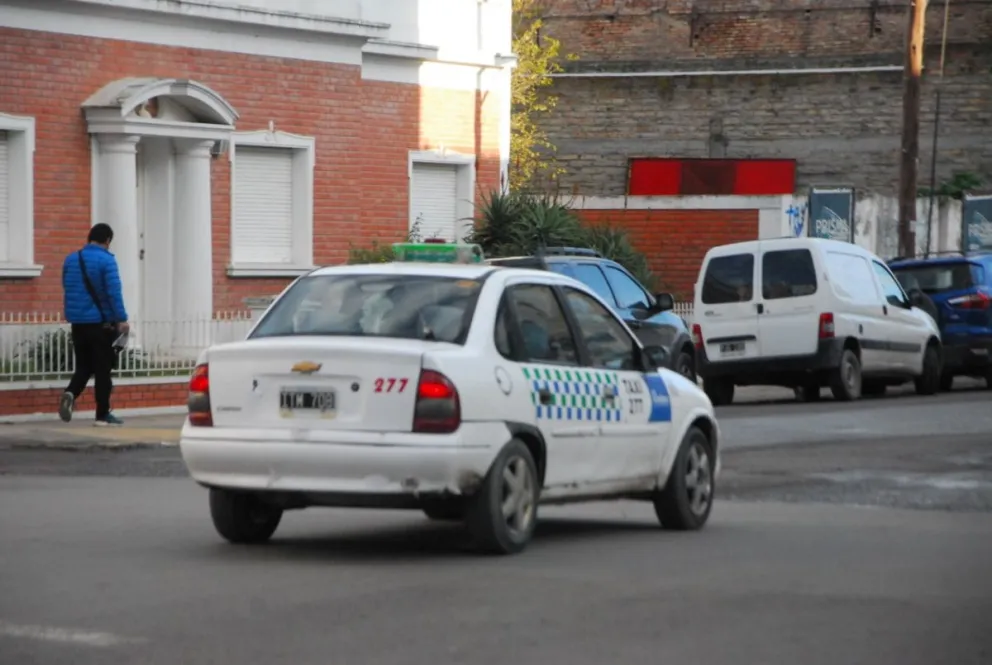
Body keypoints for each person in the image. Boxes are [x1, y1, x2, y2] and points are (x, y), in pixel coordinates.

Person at [58, 223, 130, 426]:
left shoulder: (72, 259)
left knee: (84, 365)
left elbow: (67, 287)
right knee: (102, 369)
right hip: (100, 323)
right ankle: (102, 414)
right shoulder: (107, 261)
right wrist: (121, 318)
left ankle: (71, 393)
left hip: (78, 322)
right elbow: (113, 292)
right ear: (107, 240)